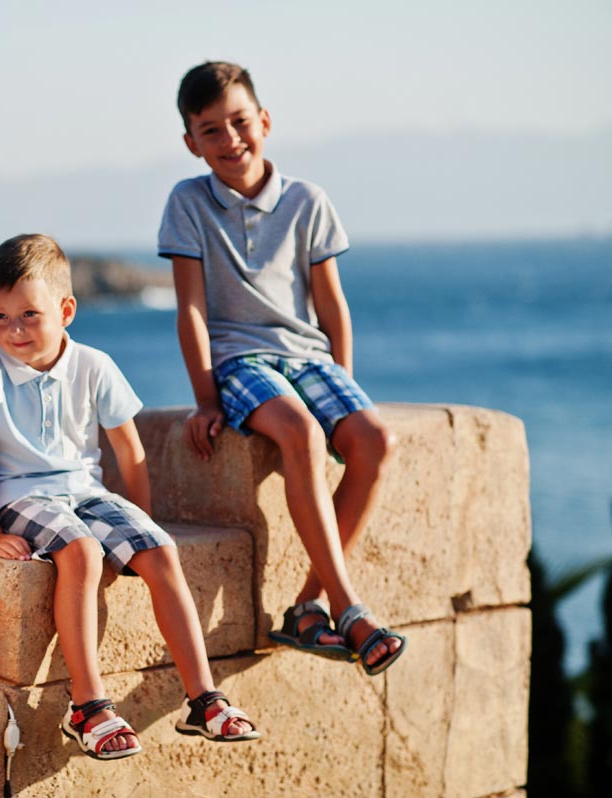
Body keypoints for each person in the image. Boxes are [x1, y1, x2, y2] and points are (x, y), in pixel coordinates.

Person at [158, 61, 407, 676]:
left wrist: (344, 389)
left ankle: (307, 606)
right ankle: (347, 605)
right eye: (210, 130)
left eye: (240, 122)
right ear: (191, 143)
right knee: (299, 433)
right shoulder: (188, 202)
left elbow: (331, 305)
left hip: (308, 355)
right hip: (241, 359)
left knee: (376, 440)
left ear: (264, 121)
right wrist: (206, 398)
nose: (230, 139)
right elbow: (190, 309)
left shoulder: (307, 200)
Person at [0, 233, 260, 761]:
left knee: (160, 550)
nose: (13, 331)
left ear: (66, 311)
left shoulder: (94, 365)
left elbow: (128, 451)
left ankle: (203, 698)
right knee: (81, 552)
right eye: (0, 317)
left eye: (29, 316)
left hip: (84, 491)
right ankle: (87, 706)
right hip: (20, 496)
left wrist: (142, 521)